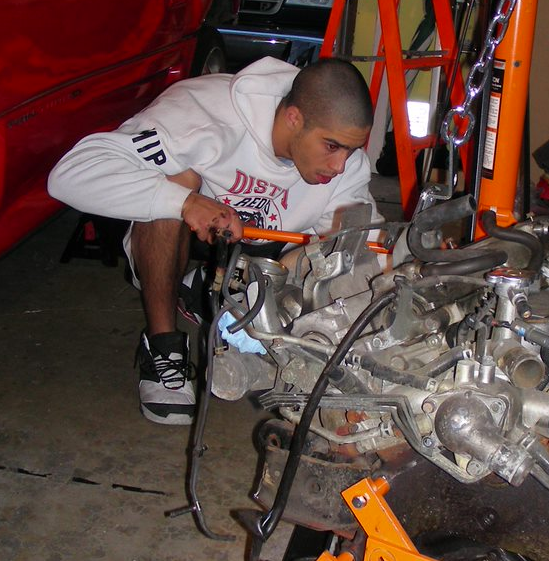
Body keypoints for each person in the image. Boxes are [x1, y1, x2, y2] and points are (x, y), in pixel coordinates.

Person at [48, 56, 380, 426]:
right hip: (188, 236)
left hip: (263, 251)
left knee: (344, 243)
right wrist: (186, 203)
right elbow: (69, 174)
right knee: (175, 178)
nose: (339, 165)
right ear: (294, 118)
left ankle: (215, 291)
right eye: (332, 146)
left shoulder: (345, 165)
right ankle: (163, 346)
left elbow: (368, 246)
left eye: (350, 150)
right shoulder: (202, 115)